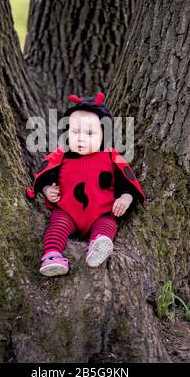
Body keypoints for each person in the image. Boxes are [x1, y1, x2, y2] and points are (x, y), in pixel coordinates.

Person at [26, 92, 145, 276]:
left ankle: (97, 247)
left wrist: (125, 199)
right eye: (75, 132)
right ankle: (52, 255)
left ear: (104, 134)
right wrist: (47, 189)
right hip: (68, 211)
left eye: (89, 133)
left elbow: (127, 184)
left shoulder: (111, 157)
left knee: (108, 225)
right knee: (57, 225)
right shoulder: (61, 155)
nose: (80, 138)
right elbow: (45, 176)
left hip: (100, 213)